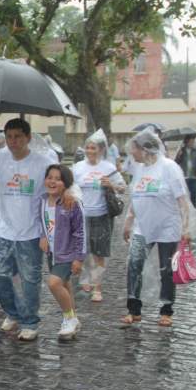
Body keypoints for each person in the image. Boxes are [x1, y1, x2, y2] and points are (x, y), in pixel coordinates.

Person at [0, 118, 52, 341]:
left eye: (18, 137)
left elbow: (50, 197)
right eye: (9, 137)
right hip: (4, 230)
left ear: (28, 138)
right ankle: (12, 312)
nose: (13, 142)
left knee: (30, 279)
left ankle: (30, 321)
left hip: (31, 233)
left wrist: (46, 232)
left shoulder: (42, 163)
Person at [122, 129, 190, 328]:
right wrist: (128, 221)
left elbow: (182, 200)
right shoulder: (139, 168)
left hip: (167, 228)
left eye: (134, 148)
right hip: (142, 227)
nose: (131, 153)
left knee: (166, 270)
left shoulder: (169, 167)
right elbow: (136, 196)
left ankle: (166, 310)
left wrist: (186, 228)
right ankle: (133, 310)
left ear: (145, 149)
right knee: (133, 265)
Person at [73, 129, 126, 302]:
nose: (89, 151)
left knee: (99, 253)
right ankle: (86, 278)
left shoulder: (108, 168)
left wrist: (111, 184)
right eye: (87, 147)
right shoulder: (78, 167)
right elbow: (69, 187)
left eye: (93, 148)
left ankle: (98, 287)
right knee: (83, 251)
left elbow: (123, 188)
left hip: (102, 215)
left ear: (101, 150)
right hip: (81, 215)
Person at [40, 165, 86, 339]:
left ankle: (68, 318)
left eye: (58, 179)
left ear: (65, 183)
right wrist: (43, 236)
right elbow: (42, 222)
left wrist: (79, 258)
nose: (52, 181)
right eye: (49, 177)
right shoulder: (42, 200)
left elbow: (80, 231)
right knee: (65, 284)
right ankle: (73, 318)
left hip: (68, 253)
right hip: (52, 252)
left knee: (53, 283)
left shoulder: (72, 203)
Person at [174, 135, 196, 208]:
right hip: (184, 177)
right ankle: (186, 209)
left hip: (194, 177)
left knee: (193, 193)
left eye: (193, 141)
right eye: (191, 141)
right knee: (184, 195)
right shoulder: (181, 151)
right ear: (187, 142)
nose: (192, 143)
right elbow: (176, 163)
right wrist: (179, 156)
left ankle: (194, 207)